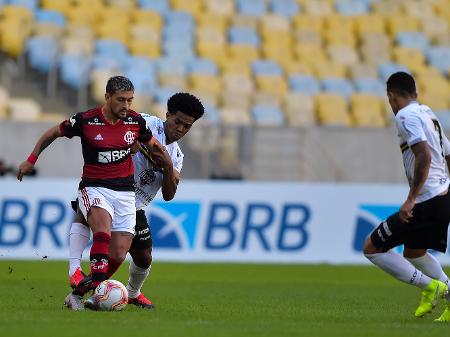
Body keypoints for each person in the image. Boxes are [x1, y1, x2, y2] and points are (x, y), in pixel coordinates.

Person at [17, 76, 169, 310]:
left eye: (130, 100)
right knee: (102, 231)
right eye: (121, 100)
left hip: (126, 192)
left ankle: (79, 294)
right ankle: (99, 288)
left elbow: (153, 145)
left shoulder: (135, 121)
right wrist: (31, 159)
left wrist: (166, 163)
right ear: (107, 97)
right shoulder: (86, 120)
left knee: (118, 253)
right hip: (94, 186)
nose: (126, 106)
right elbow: (52, 133)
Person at [67, 93, 205, 310]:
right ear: (167, 115)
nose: (180, 129)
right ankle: (80, 293)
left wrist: (168, 167)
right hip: (108, 187)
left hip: (134, 205)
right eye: (177, 122)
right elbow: (112, 129)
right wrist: (127, 146)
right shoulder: (144, 123)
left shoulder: (177, 156)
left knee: (144, 257)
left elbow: (169, 195)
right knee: (113, 251)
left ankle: (132, 293)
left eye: (187, 126)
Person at [363, 72, 450, 322]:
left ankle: (432, 287)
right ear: (415, 93)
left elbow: (424, 155)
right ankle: (447, 293)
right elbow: (449, 151)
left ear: (391, 96)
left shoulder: (405, 115)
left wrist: (411, 198)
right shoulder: (428, 113)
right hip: (443, 196)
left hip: (426, 200)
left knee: (372, 248)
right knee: (414, 253)